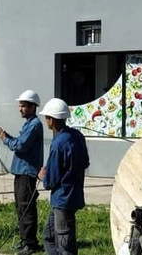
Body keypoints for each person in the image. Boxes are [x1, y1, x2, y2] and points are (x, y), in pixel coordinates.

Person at [0, 90, 44, 255]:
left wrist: (4, 138)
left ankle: (30, 244)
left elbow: (21, 145)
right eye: (19, 106)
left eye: (23, 106)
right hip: (21, 172)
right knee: (21, 207)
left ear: (33, 107)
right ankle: (25, 241)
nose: (20, 109)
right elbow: (19, 141)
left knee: (26, 207)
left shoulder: (34, 125)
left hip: (26, 173)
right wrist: (5, 135)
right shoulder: (29, 124)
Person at [38, 98, 90, 255]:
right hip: (73, 196)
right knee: (48, 236)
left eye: (46, 117)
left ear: (51, 120)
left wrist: (43, 176)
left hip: (62, 199)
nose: (46, 120)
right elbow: (85, 162)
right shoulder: (77, 136)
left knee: (64, 244)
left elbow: (50, 180)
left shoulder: (58, 144)